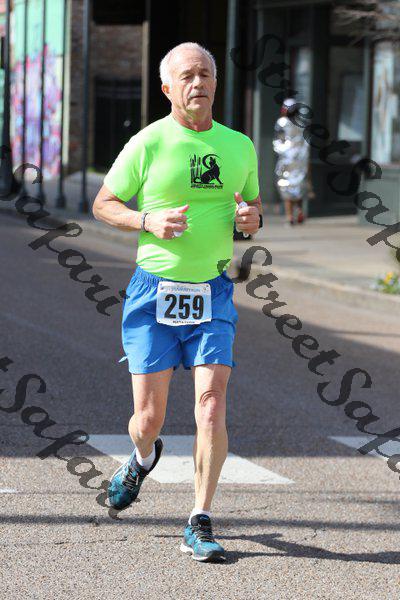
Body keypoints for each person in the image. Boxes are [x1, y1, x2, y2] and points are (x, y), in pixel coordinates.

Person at [92, 42, 262, 563]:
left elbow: (252, 207)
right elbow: (103, 204)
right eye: (187, 75)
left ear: (216, 83)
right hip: (155, 292)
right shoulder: (148, 143)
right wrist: (147, 220)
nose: (198, 82)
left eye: (205, 73)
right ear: (167, 88)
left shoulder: (239, 145)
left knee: (211, 404)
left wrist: (252, 219)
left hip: (213, 291)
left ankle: (200, 517)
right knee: (148, 419)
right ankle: (141, 458)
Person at [273, 98, 315, 226]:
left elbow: (277, 141)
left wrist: (284, 152)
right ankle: (299, 210)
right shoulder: (301, 123)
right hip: (300, 160)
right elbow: (306, 143)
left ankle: (290, 216)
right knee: (298, 185)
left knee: (286, 186)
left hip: (287, 160)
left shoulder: (282, 122)